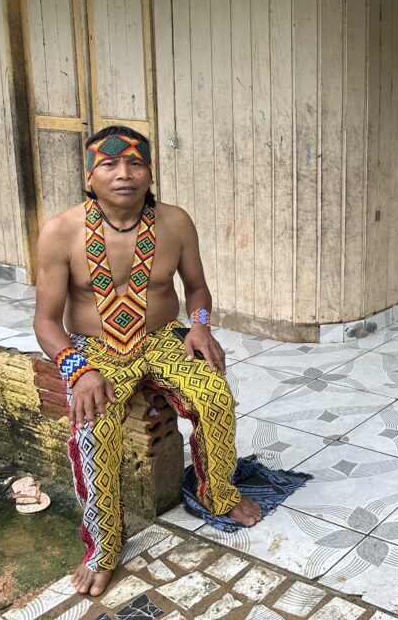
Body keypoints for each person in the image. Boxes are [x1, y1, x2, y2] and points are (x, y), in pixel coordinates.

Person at [32, 126, 261, 597]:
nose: (124, 174)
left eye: (135, 163)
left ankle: (219, 493)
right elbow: (45, 322)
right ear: (89, 174)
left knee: (215, 396)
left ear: (149, 171)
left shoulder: (174, 222)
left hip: (161, 337)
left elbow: (197, 288)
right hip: (95, 347)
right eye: (110, 165)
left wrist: (199, 325)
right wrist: (78, 368)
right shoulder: (60, 231)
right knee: (94, 430)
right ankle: (103, 547)